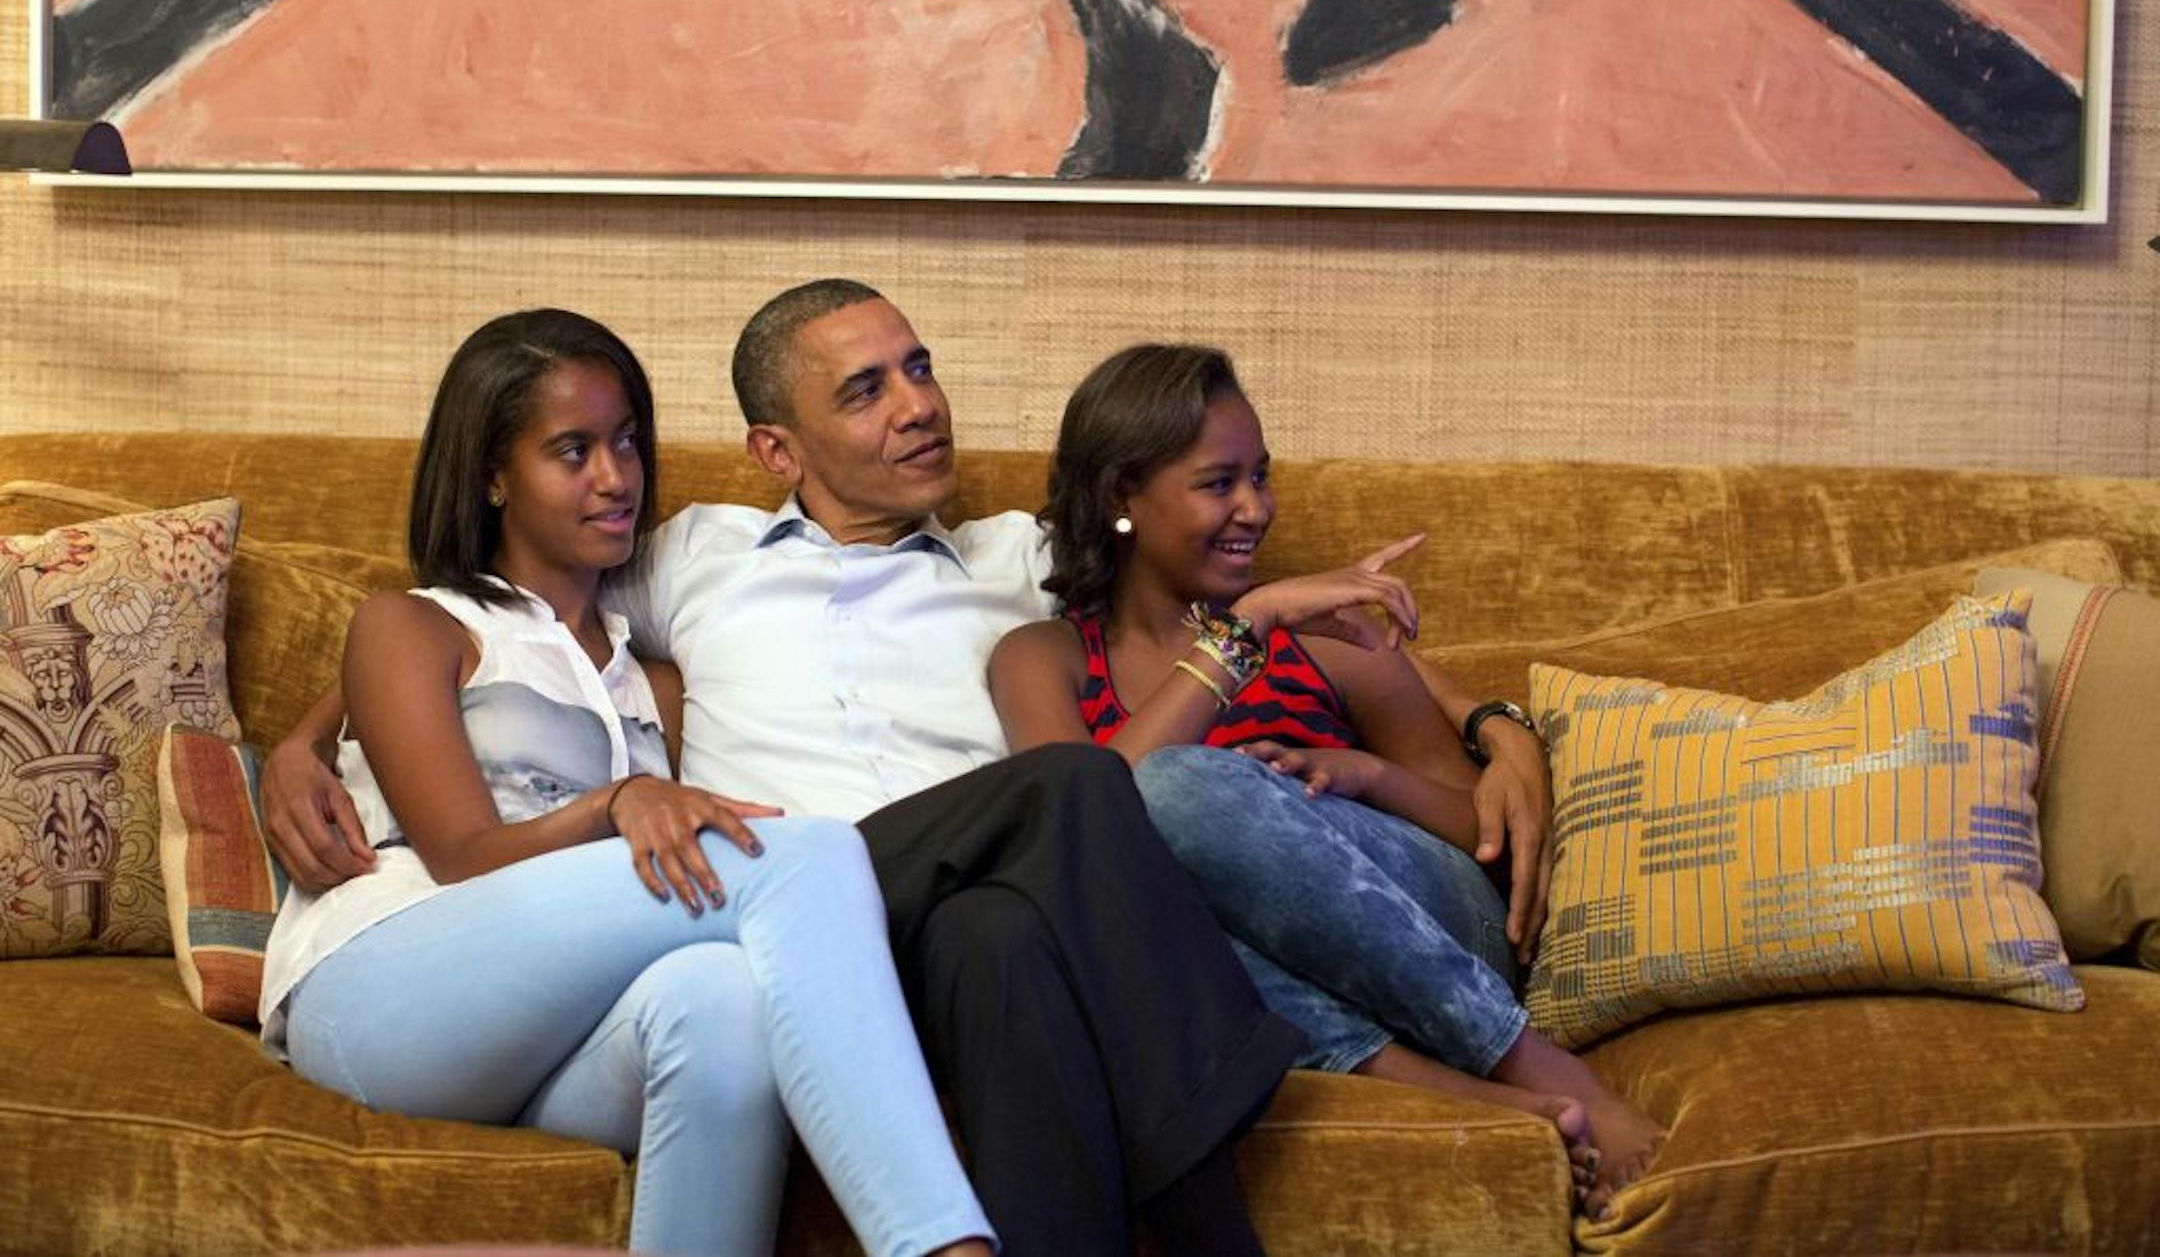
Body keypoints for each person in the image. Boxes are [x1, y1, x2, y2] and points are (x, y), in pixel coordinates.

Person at [261, 284, 1313, 1255]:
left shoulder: (1017, 560)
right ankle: (969, 1235)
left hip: (915, 928)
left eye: (919, 367)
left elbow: (1207, 564)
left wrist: (1482, 718)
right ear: (777, 447)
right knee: (1035, 793)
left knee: (993, 937)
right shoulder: (689, 556)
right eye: (866, 389)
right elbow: (451, 624)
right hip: (778, 897)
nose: (918, 405)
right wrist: (301, 743)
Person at [257, 309, 995, 1257]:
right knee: (799, 857)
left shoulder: (652, 676)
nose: (616, 478)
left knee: (723, 997)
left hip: (546, 1031)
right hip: (382, 987)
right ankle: (940, 1246)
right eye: (571, 452)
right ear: (492, 476)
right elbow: (464, 858)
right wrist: (611, 803)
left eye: (626, 443)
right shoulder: (418, 624)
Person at [988, 342, 1665, 1217]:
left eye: (1260, 477)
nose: (1255, 509)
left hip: (1434, 930)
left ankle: (1532, 1059)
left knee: (1185, 790)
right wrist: (1244, 629)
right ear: (1122, 496)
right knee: (1118, 903)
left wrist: (1369, 775)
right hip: (1234, 967)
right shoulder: (1041, 658)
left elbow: (1477, 838)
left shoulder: (1328, 637)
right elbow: (1080, 830)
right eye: (1218, 482)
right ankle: (1468, 1098)